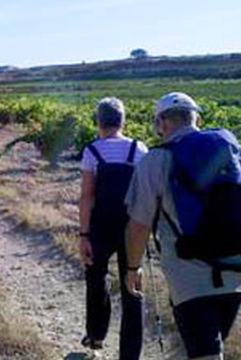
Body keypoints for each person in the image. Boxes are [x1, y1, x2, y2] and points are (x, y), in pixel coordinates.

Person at [124, 92, 241, 360]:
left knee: (206, 352)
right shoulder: (234, 150)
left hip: (189, 277)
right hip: (237, 269)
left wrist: (132, 267)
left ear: (161, 123)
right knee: (207, 348)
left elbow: (138, 224)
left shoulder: (155, 160)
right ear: (197, 119)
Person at [79, 97, 148, 360]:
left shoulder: (92, 151)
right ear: (122, 121)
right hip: (133, 227)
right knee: (133, 286)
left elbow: (87, 197)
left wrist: (84, 235)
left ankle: (96, 336)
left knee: (96, 279)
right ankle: (130, 355)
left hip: (100, 227)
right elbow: (145, 193)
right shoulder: (138, 149)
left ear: (99, 121)